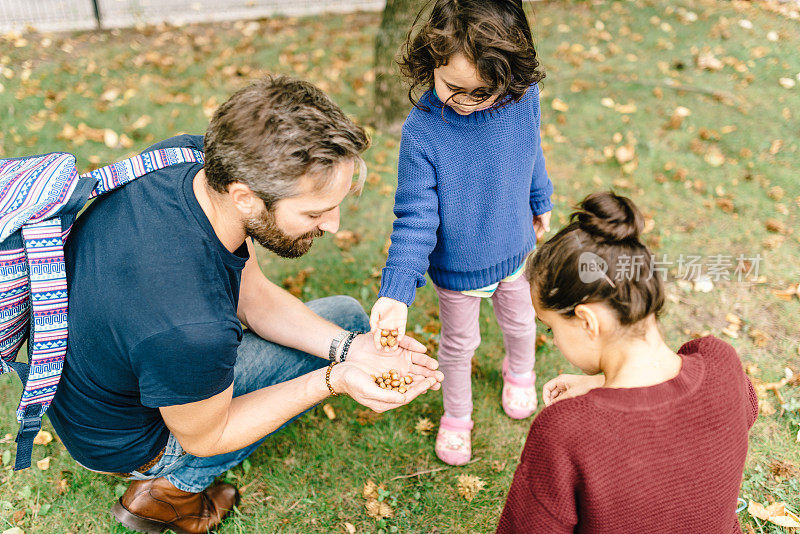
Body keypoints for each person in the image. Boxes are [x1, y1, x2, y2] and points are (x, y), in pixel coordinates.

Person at [46, 76, 443, 534]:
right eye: (314, 213)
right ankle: (167, 490)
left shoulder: (188, 162)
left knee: (345, 326)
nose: (332, 225)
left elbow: (251, 298)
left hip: (90, 390)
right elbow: (207, 437)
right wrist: (333, 379)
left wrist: (353, 349)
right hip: (129, 440)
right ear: (245, 196)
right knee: (340, 320)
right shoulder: (192, 326)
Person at [497, 192, 758, 533]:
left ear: (588, 321)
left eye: (551, 327)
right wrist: (602, 383)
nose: (553, 340)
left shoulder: (565, 431)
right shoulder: (721, 363)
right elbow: (724, 410)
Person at [368, 0, 553, 466]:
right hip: (457, 270)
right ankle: (457, 415)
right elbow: (413, 220)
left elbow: (533, 151)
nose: (468, 102)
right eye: (455, 87)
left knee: (520, 322)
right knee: (458, 344)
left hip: (514, 248)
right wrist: (396, 292)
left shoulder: (522, 98)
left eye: (483, 92)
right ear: (430, 61)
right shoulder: (422, 133)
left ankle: (521, 372)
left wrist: (541, 199)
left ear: (509, 74)